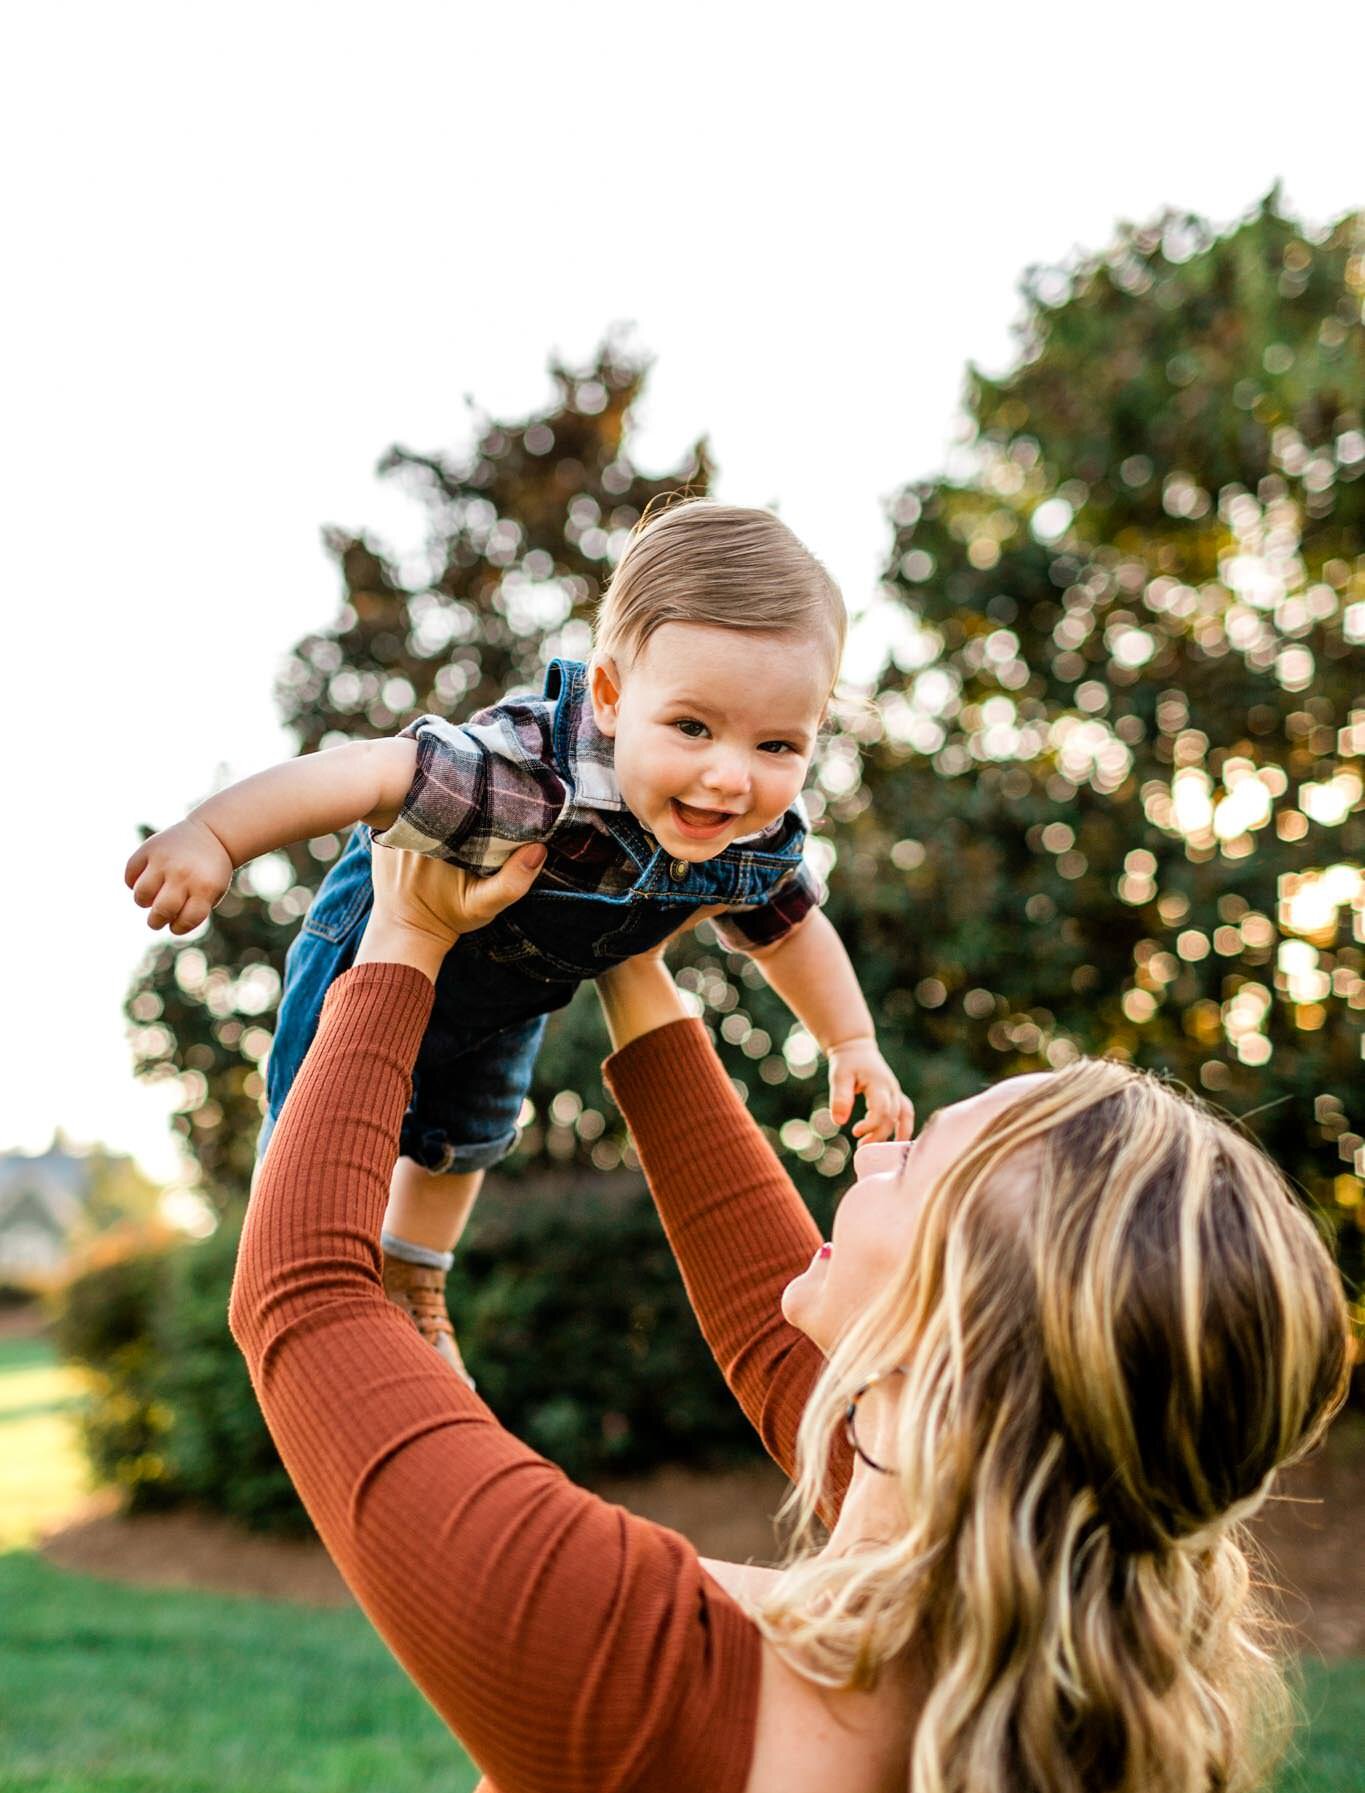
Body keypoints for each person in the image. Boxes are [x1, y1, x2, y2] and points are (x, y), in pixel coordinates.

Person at [229, 840, 1351, 1793]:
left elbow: (306, 1296)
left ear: (935, 1346)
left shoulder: (641, 1676)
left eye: (911, 1159)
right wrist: (633, 967)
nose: (875, 1151)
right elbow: (791, 1342)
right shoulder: (1071, 1740)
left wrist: (401, 935)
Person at [130, 500, 910, 1379]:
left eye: (777, 744)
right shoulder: (525, 778)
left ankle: (414, 1282)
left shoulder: (758, 837)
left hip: (508, 996)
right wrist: (214, 836)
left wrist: (849, 1041)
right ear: (611, 696)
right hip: (374, 951)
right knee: (318, 1118)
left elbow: (787, 926)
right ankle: (297, 1266)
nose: (729, 776)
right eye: (691, 727)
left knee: (474, 1134)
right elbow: (371, 771)